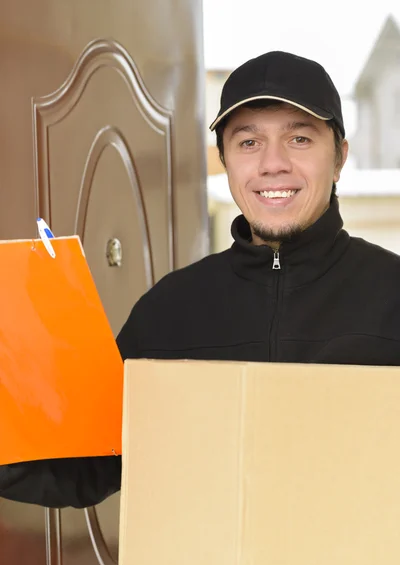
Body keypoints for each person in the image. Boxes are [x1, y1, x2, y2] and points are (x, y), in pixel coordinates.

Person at [2, 50, 400, 508]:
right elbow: (87, 463)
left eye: (300, 139)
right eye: (248, 142)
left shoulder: (391, 296)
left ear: (339, 158)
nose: (273, 164)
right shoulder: (170, 311)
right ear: (226, 161)